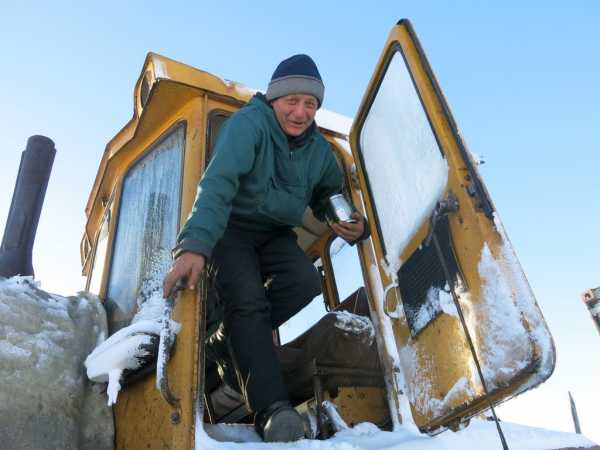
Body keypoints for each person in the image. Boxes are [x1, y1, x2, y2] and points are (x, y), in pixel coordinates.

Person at [163, 54, 369, 442]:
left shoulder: (320, 153)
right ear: (274, 99)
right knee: (248, 301)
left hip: (274, 233)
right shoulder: (249, 126)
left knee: (306, 281)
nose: (301, 111)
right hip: (232, 228)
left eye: (310, 103)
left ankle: (226, 341)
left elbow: (329, 193)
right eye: (292, 100)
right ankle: (272, 410)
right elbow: (218, 184)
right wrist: (194, 245)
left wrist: (348, 221)